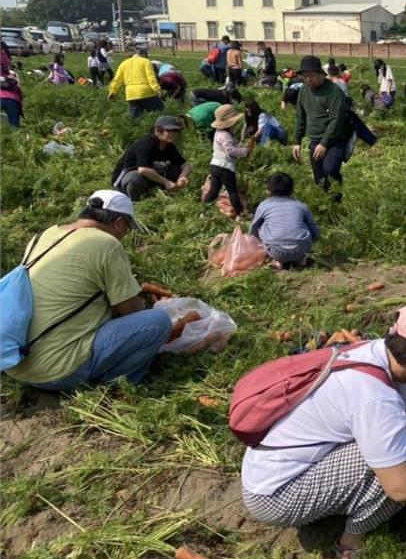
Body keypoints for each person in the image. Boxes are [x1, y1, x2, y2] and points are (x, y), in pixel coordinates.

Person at [241, 303, 406, 559]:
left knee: (400, 448)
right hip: (275, 495)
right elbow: (401, 488)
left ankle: (351, 505)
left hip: (270, 466)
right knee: (392, 469)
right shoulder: (376, 398)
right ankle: (352, 541)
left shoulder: (377, 355)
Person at [4, 190, 172, 390]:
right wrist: (144, 302)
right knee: (157, 323)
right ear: (118, 222)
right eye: (127, 228)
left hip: (15, 362)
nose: (125, 235)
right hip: (56, 372)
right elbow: (131, 311)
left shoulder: (44, 234)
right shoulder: (107, 244)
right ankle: (116, 384)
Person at [292, 56, 352, 203]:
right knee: (319, 178)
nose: (307, 80)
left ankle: (337, 200)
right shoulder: (304, 92)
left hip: (335, 139)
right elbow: (301, 117)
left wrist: (325, 143)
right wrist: (297, 140)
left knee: (330, 170)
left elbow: (336, 121)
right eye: (305, 76)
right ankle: (326, 203)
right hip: (315, 139)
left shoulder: (334, 92)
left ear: (320, 74)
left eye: (311, 76)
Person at [250, 172, 320, 269]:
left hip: (276, 251)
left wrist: (256, 243)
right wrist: (313, 240)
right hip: (301, 249)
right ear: (291, 190)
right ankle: (300, 260)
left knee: (261, 225)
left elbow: (253, 229)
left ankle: (278, 261)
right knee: (304, 222)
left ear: (268, 192)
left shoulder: (264, 205)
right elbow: (314, 228)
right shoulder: (300, 205)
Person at [111, 116, 191, 200]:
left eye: (176, 131)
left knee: (176, 170)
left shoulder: (169, 146)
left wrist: (181, 177)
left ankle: (155, 193)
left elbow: (186, 165)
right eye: (170, 131)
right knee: (136, 178)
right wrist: (166, 182)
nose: (174, 134)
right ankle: (133, 200)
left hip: (150, 176)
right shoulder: (146, 144)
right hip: (129, 177)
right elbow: (143, 169)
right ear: (158, 131)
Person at [202, 104, 252, 218]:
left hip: (215, 165)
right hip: (225, 168)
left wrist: (239, 146)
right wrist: (245, 151)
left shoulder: (219, 133)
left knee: (214, 191)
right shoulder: (225, 135)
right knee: (232, 191)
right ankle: (241, 214)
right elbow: (230, 151)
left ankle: (203, 211)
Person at [107, 47, 164, 119]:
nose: (147, 58)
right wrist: (157, 89)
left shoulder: (124, 63)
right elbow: (151, 77)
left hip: (131, 94)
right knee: (160, 111)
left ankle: (135, 128)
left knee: (135, 118)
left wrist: (113, 91)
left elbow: (117, 79)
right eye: (147, 56)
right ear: (143, 54)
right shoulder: (146, 61)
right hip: (146, 92)